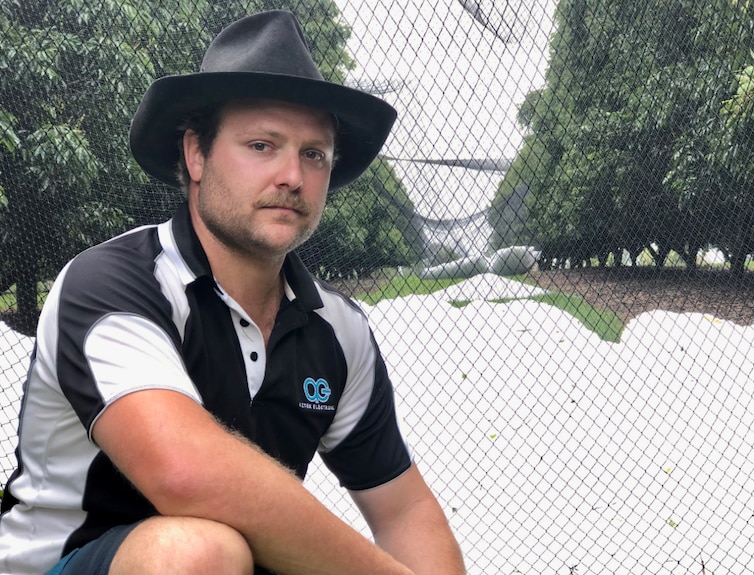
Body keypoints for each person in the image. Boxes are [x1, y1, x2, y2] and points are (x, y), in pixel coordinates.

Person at [0, 10, 466, 575]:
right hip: (62, 562)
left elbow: (404, 510)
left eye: (314, 153)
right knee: (197, 555)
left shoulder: (340, 331)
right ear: (196, 154)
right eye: (263, 145)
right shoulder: (111, 285)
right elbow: (186, 473)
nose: (293, 176)